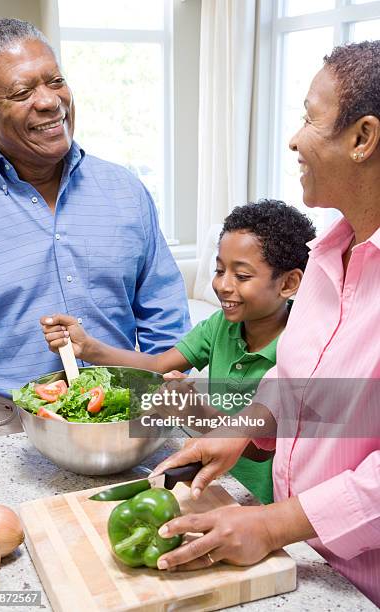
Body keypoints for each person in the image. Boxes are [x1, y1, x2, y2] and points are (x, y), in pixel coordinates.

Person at [142, 41, 380, 607]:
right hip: (301, 558)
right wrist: (244, 427)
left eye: (308, 117)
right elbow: (298, 380)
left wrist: (275, 525)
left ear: (363, 138)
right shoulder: (328, 256)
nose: (295, 138)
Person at [0, 18, 190, 440]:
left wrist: (167, 382)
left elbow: (164, 312)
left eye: (55, 81)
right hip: (0, 425)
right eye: (22, 92)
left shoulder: (125, 190)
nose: (50, 102)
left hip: (123, 414)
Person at [41, 199, 316, 505]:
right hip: (216, 483)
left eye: (241, 276)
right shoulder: (219, 325)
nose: (223, 285)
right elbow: (158, 364)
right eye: (219, 269)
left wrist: (195, 412)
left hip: (263, 502)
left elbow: (260, 448)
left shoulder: (302, 350)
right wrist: (89, 347)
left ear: (289, 283)